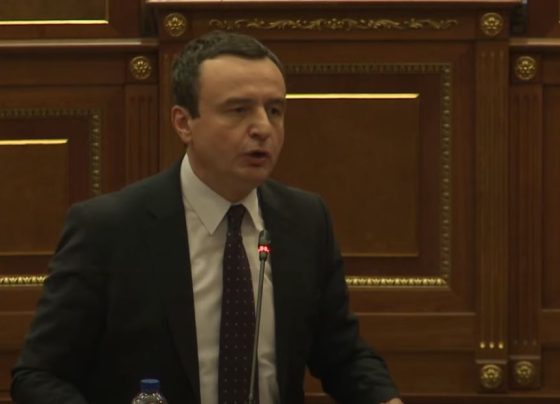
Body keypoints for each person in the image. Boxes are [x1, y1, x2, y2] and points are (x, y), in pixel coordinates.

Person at [11, 30, 403, 404]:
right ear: (184, 123)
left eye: (275, 110)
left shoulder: (305, 220)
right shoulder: (109, 228)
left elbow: (342, 355)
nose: (263, 128)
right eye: (239, 110)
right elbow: (39, 375)